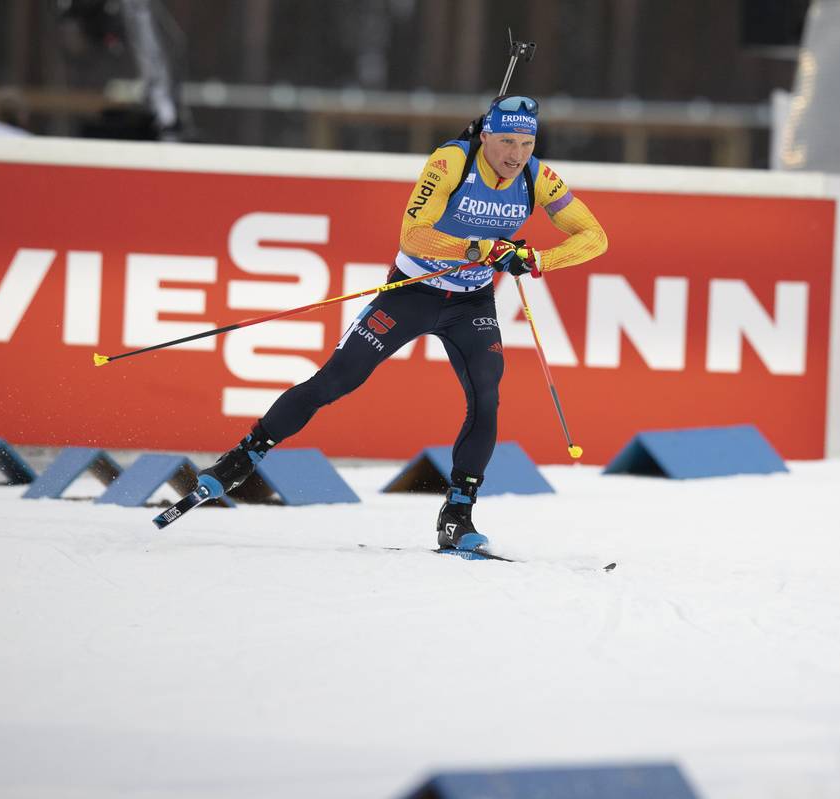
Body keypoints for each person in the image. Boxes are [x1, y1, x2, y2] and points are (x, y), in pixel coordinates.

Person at [199, 95, 608, 552]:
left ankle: (457, 514)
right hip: (413, 292)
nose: (517, 155)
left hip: (471, 303)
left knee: (487, 395)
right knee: (337, 380)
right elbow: (414, 236)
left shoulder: (537, 177)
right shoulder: (451, 161)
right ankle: (241, 458)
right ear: (486, 135)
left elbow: (595, 237)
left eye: (527, 143)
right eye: (507, 141)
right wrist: (480, 248)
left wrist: (537, 260)